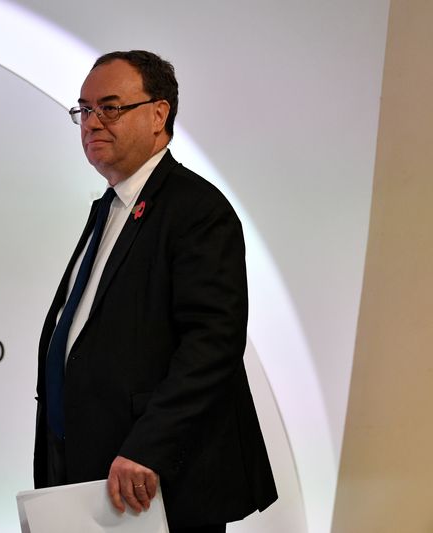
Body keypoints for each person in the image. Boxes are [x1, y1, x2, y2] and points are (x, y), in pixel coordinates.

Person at [33, 50, 277, 532]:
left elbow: (212, 344)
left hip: (151, 483)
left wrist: (148, 447)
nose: (92, 122)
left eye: (110, 107)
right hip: (85, 471)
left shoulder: (196, 209)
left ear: (159, 114)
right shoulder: (110, 207)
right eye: (84, 109)